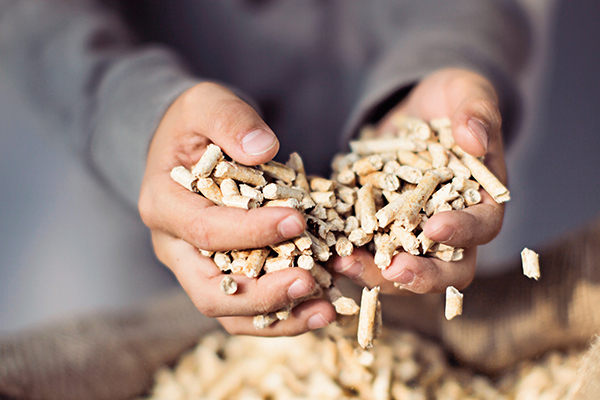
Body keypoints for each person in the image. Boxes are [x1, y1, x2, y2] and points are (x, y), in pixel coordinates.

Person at [6, 0, 581, 398]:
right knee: (129, 350)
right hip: (145, 186)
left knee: (438, 287)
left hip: (413, 188)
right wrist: (133, 115)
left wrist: (447, 59)